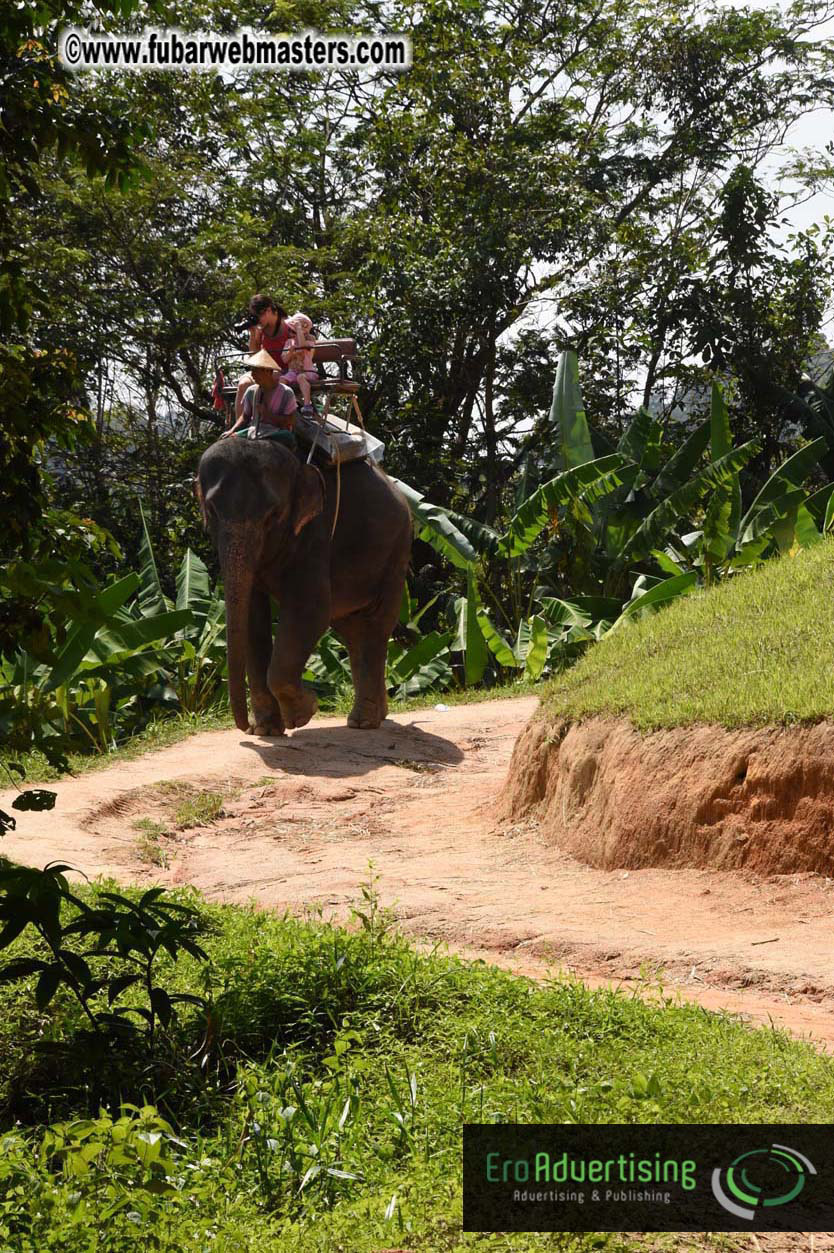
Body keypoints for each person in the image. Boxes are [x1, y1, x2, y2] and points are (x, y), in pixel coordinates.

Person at [233, 294, 293, 422]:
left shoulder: (288, 326)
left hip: (283, 371)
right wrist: (253, 333)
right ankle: (239, 426)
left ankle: (265, 420)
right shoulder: (260, 330)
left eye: (259, 315)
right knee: (244, 383)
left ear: (269, 310)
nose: (258, 319)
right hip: (262, 369)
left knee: (271, 379)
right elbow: (253, 356)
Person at [222, 349, 297, 439]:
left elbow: (290, 421)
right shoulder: (251, 391)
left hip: (277, 432)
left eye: (256, 371)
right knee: (229, 438)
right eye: (252, 371)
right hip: (253, 430)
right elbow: (245, 416)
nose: (252, 375)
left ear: (268, 371)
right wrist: (232, 430)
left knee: (288, 437)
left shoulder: (286, 393)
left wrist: (268, 415)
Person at [280, 312, 318, 417]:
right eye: (290, 330)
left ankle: (307, 405)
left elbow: (302, 346)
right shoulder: (289, 342)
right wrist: (291, 352)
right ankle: (287, 404)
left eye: (293, 331)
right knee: (281, 380)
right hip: (293, 372)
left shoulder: (310, 339)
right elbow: (284, 360)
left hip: (307, 372)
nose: (291, 334)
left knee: (301, 377)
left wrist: (299, 330)